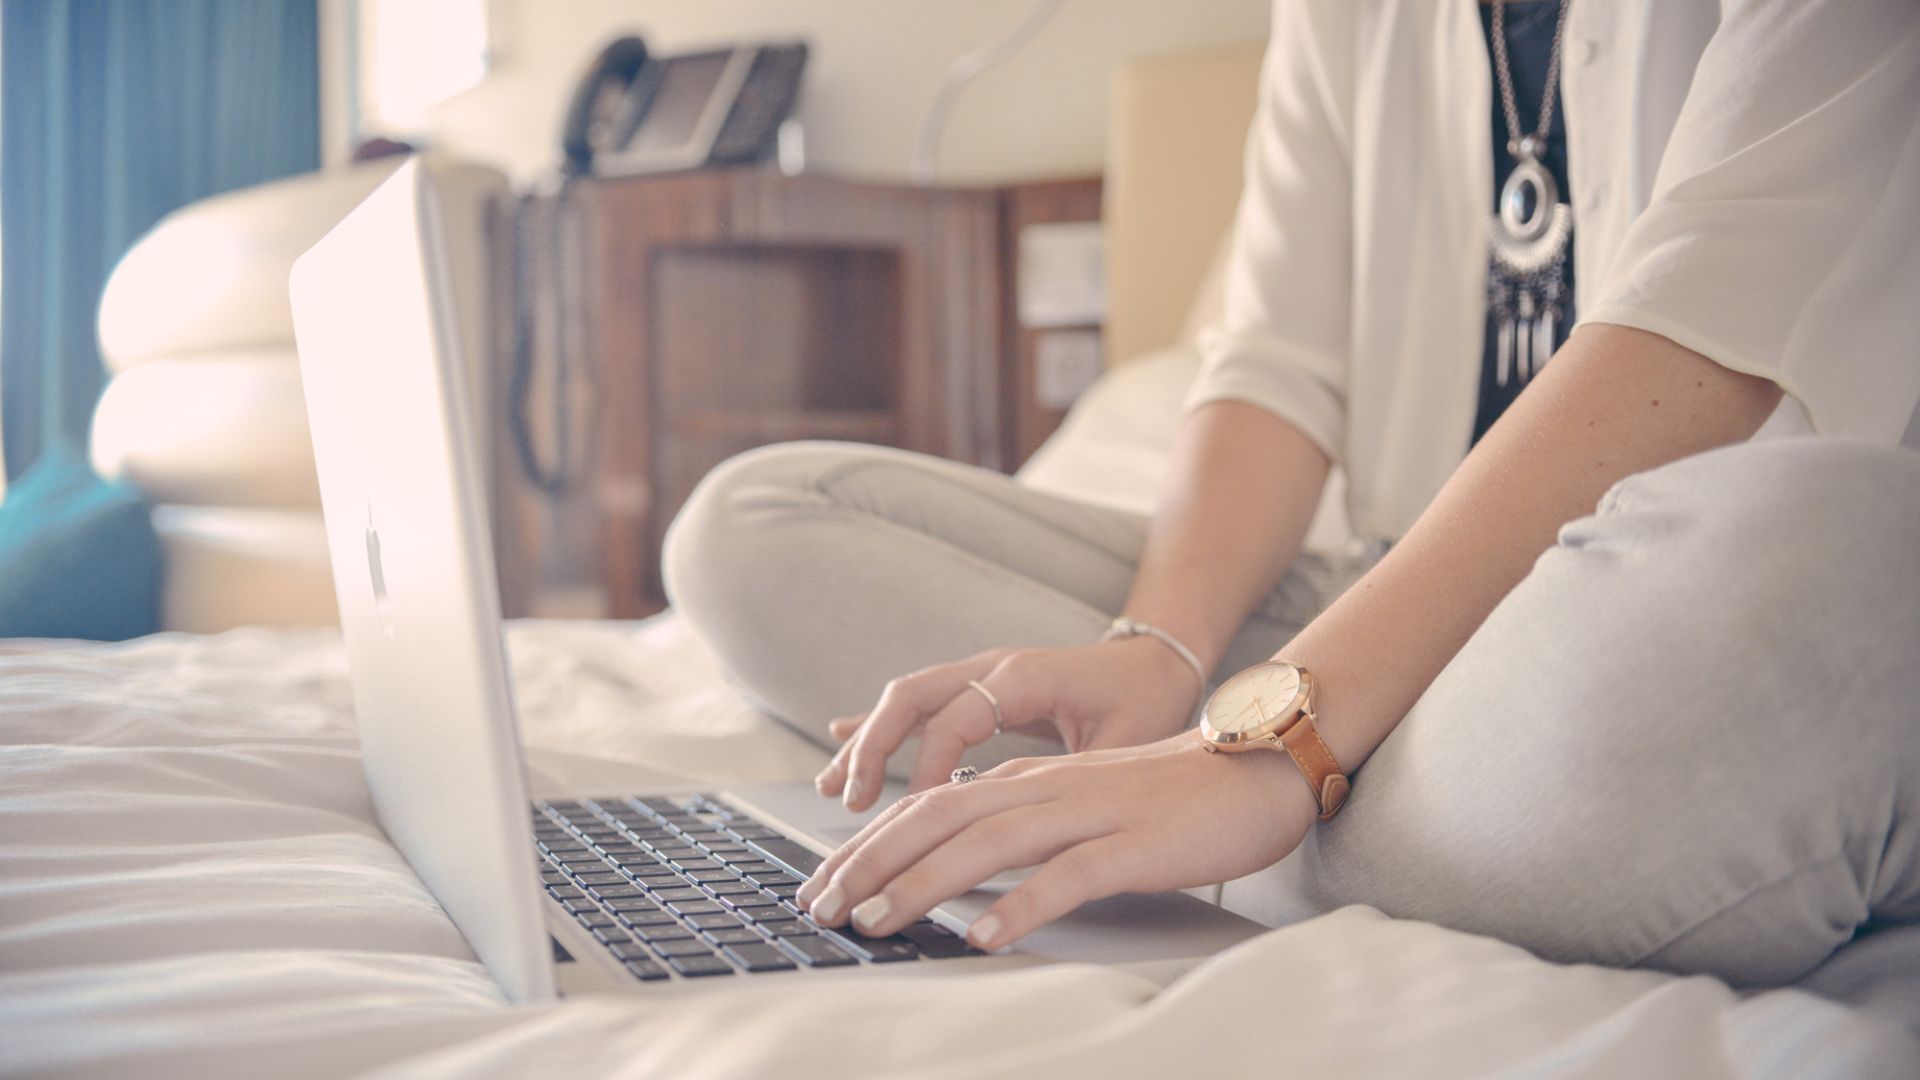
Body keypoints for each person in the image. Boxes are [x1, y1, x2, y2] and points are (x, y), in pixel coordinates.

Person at [664, 0, 1920, 987]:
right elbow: (1276, 358)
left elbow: (1704, 322)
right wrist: (1164, 647)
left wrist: (1264, 754)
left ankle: (1230, 807)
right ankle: (1252, 798)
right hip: (1384, 595)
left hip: (1662, 616)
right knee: (758, 526)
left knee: (1838, 552)